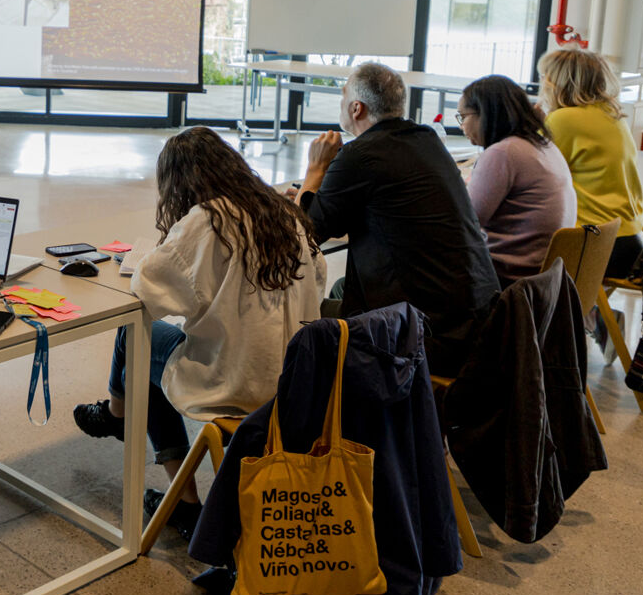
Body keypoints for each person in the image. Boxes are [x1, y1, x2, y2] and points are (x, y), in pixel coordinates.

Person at [73, 127, 325, 537]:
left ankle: (138, 440)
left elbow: (148, 287)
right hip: (294, 380)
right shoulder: (284, 212)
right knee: (148, 349)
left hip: (238, 384)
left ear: (179, 183)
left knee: (137, 337)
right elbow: (317, 280)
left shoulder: (208, 220)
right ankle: (120, 417)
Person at [297, 61, 499, 376]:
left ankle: (327, 405)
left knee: (301, 322)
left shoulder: (360, 154)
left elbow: (302, 235)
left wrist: (316, 169)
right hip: (477, 326)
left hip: (423, 339)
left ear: (356, 108)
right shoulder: (427, 140)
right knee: (340, 288)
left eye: (343, 96)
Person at [457, 74, 577, 284]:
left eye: (463, 116)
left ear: (485, 113)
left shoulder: (503, 152)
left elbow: (467, 222)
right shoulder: (544, 145)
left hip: (509, 277)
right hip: (544, 276)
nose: (461, 126)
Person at [539, 48, 643, 280]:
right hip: (627, 242)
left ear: (556, 82)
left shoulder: (564, 119)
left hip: (591, 245)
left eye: (545, 77)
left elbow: (531, 169)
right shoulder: (612, 115)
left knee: (507, 259)